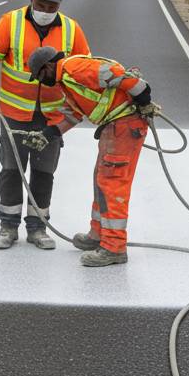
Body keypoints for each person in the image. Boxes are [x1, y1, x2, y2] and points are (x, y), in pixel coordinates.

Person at [0, 0, 90, 251]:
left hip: (51, 117)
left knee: (44, 171)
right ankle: (8, 225)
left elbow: (82, 69)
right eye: (41, 4)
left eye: (51, 7)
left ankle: (38, 227)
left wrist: (74, 107)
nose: (46, 11)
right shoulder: (10, 22)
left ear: (59, 5)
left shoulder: (71, 29)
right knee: (11, 169)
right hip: (15, 113)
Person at [19, 47, 158, 267]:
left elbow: (123, 77)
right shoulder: (67, 79)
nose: (40, 82)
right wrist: (49, 134)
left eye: (39, 77)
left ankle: (114, 248)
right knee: (101, 182)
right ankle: (98, 235)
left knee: (112, 185)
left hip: (123, 126)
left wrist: (143, 100)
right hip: (114, 127)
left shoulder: (75, 68)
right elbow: (75, 113)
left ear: (46, 67)